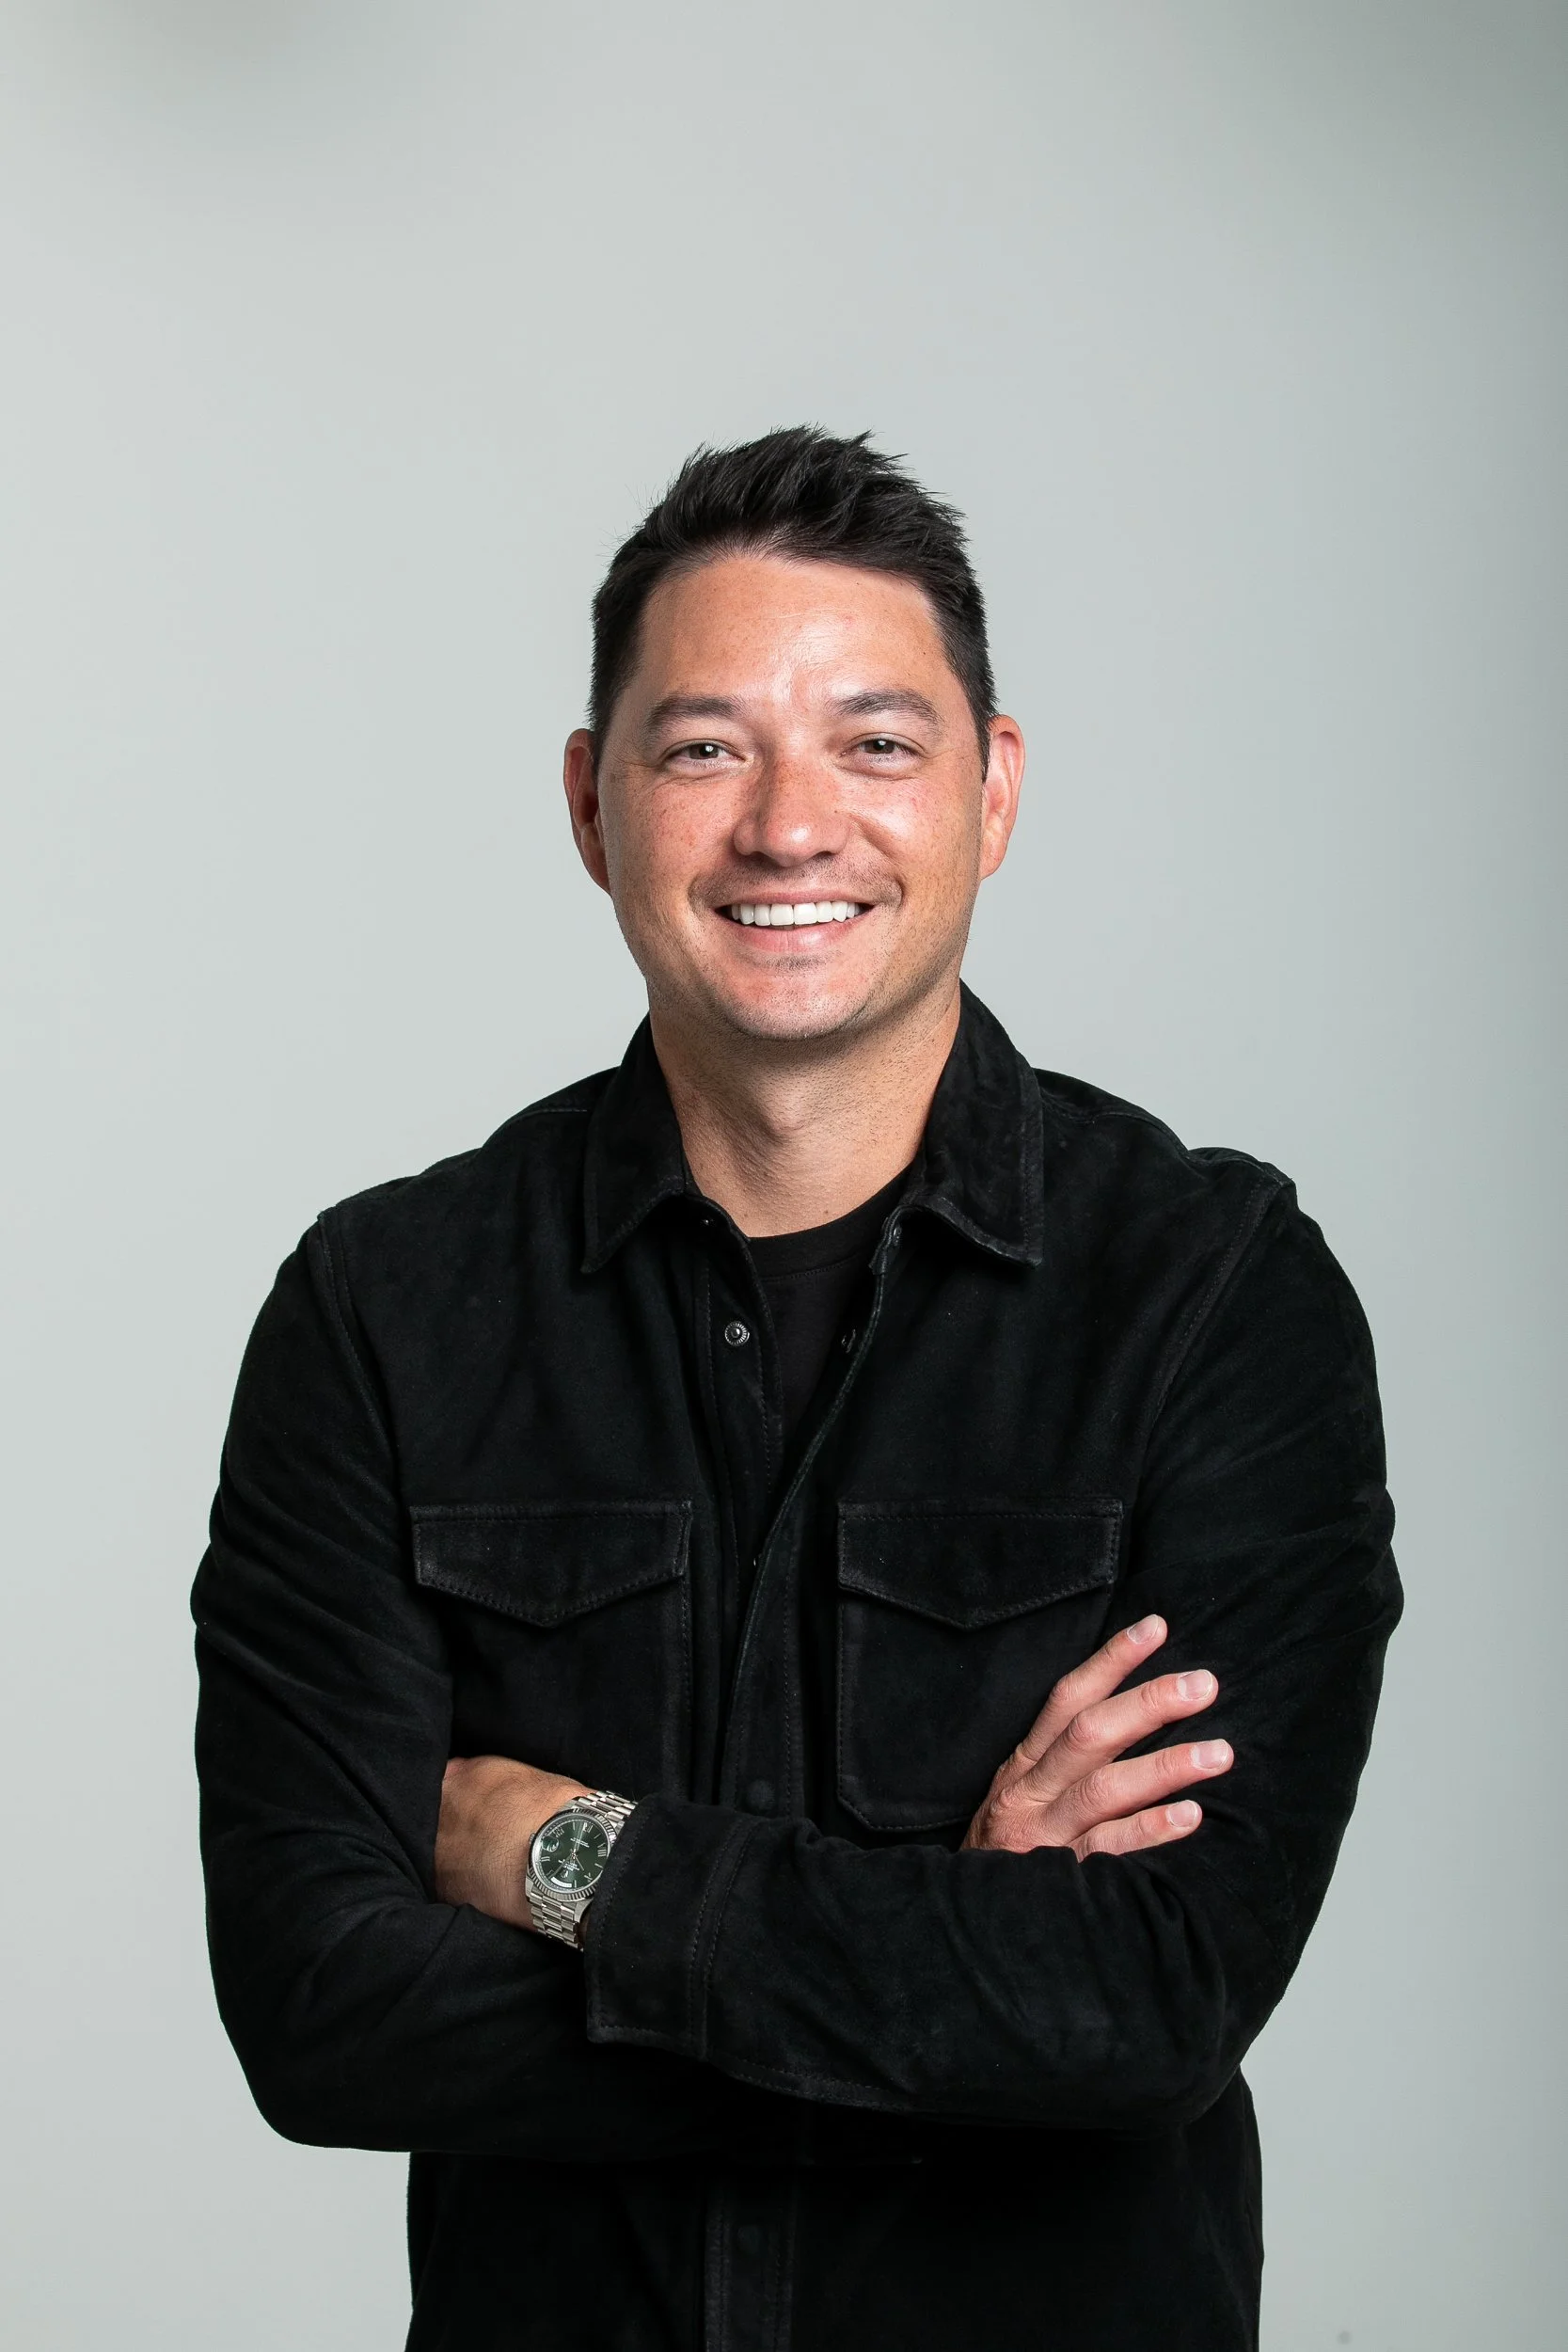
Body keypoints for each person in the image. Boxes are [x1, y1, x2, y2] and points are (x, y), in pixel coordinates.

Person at [193, 427, 1401, 2352]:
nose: (785, 824)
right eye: (701, 748)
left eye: (875, 742)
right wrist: (948, 1954)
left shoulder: (1208, 1296)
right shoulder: (380, 1310)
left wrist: (562, 1855)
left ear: (989, 793)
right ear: (593, 805)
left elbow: (1153, 2000)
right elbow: (319, 2010)